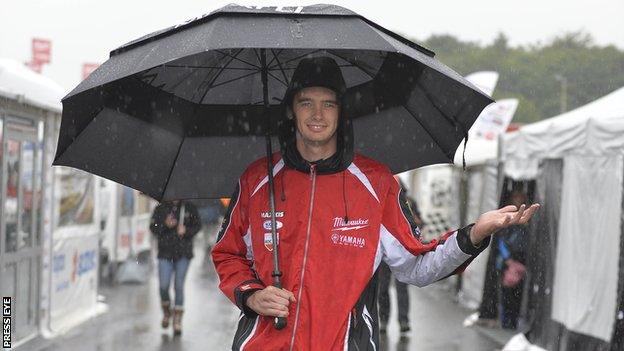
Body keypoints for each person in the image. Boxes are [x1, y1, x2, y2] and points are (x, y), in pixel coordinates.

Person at [211, 57, 539, 350]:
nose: (317, 114)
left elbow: (417, 266)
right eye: (306, 102)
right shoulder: (257, 180)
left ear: (342, 111)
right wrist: (252, 293)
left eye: (329, 104)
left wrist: (474, 234)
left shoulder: (376, 182)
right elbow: (228, 254)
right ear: (290, 109)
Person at [378, 177, 423, 335]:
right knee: (382, 288)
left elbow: (418, 223)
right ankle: (383, 320)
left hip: (404, 253)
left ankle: (404, 321)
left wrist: (415, 220)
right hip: (384, 253)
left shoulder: (409, 202)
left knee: (402, 288)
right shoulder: (380, 198)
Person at [150, 200, 201, 335]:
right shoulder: (160, 208)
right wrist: (164, 225)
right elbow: (153, 228)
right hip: (165, 253)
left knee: (179, 285)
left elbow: (198, 226)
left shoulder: (189, 207)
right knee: (163, 286)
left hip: (183, 253)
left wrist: (186, 231)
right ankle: (167, 311)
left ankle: (177, 320)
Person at [496, 189, 529, 329]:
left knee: (518, 292)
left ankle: (513, 320)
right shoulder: (509, 217)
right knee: (507, 291)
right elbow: (501, 240)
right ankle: (505, 320)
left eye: (521, 197)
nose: (518, 200)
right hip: (508, 260)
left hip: (520, 259)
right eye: (516, 197)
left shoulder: (527, 219)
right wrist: (507, 258)